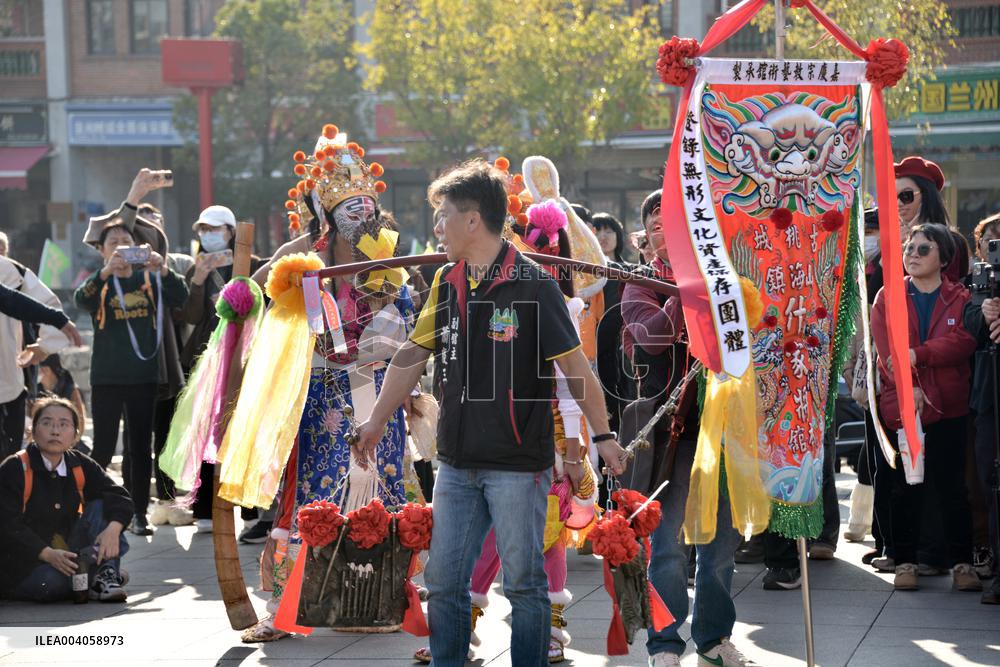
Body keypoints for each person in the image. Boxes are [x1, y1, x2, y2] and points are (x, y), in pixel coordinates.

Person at [354, 159, 626, 667]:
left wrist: (604, 435)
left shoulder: (535, 285)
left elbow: (575, 368)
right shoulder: (446, 281)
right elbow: (411, 355)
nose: (437, 227)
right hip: (456, 462)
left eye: (443, 216)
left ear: (473, 219)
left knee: (524, 584)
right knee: (445, 581)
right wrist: (374, 422)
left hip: (518, 465)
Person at [240, 128, 416, 642]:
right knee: (312, 492)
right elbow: (260, 295)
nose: (361, 218)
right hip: (319, 397)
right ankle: (287, 605)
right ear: (328, 214)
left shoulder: (389, 264)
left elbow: (412, 333)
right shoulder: (305, 261)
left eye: (367, 208)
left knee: (381, 487)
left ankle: (377, 596)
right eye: (348, 209)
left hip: (377, 393)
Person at [620, 189, 753, 667]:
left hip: (724, 428)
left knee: (720, 548)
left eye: (679, 225)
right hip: (671, 437)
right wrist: (687, 289)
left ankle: (714, 638)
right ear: (646, 236)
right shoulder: (639, 284)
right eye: (659, 227)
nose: (670, 234)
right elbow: (653, 338)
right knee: (669, 547)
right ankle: (664, 643)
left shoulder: (727, 278)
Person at [871, 223, 980, 592]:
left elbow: (963, 341)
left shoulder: (960, 297)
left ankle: (962, 563)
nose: (912, 255)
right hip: (905, 406)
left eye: (923, 249)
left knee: (952, 486)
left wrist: (920, 354)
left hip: (950, 406)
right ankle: (905, 561)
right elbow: (887, 353)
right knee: (905, 487)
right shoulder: (888, 297)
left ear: (943, 258)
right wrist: (910, 387)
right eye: (909, 248)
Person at [74, 220, 188, 537]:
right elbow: (81, 300)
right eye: (113, 243)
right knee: (103, 446)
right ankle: (92, 509)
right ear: (102, 251)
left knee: (139, 447)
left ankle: (138, 513)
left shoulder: (147, 278)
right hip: (107, 377)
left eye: (126, 242)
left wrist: (163, 269)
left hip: (143, 377)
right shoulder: (101, 282)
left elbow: (181, 295)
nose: (121, 247)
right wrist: (105, 272)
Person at [172, 204, 265, 534]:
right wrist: (198, 282)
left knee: (243, 430)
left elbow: (263, 306)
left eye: (215, 229)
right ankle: (204, 510)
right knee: (203, 432)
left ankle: (250, 510)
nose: (208, 235)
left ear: (230, 232)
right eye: (203, 230)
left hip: (243, 358)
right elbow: (191, 316)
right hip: (205, 359)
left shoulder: (253, 265)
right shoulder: (196, 268)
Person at [0, 397, 133, 602]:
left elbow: (119, 496)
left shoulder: (79, 464)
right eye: (47, 423)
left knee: (101, 506)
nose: (55, 431)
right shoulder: (15, 467)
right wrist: (47, 554)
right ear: (33, 430)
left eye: (63, 424)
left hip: (69, 551)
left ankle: (103, 574)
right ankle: (101, 575)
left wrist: (113, 530)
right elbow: (7, 524)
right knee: (51, 584)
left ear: (75, 434)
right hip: (27, 560)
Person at [0, 256, 79, 458]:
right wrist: (52, 333)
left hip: (9, 381)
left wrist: (49, 337)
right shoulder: (14, 270)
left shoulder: (13, 271)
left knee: (8, 460)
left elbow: (9, 300)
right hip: (10, 381)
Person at [964, 211, 1000, 603]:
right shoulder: (977, 284)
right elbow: (969, 328)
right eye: (991, 242)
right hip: (988, 397)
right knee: (990, 481)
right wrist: (985, 311)